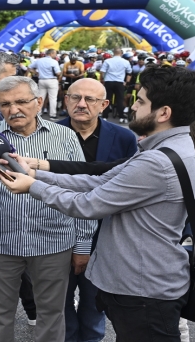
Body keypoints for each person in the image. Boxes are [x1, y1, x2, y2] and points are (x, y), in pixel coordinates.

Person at [0, 66, 195, 342]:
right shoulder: (165, 149)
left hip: (143, 289)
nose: (133, 106)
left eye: (141, 101)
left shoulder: (156, 161)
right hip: (142, 284)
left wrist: (32, 187)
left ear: (164, 113)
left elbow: (88, 204)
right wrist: (36, 174)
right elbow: (98, 180)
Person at [0, 76, 95, 342]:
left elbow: (81, 189)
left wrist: (83, 245)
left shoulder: (65, 137)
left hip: (54, 243)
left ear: (39, 102)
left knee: (52, 314)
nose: (13, 110)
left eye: (21, 101)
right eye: (4, 104)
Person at [57, 79, 137, 342]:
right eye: (75, 97)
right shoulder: (50, 133)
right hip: (55, 234)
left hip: (104, 237)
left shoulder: (124, 138)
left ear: (104, 105)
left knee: (94, 308)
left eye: (90, 99)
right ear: (66, 99)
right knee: (59, 307)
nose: (81, 104)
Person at [100, 48, 132, 123]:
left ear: (113, 53)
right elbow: (129, 72)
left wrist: (103, 80)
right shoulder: (126, 62)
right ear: (121, 53)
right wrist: (126, 82)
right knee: (120, 100)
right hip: (119, 82)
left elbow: (102, 72)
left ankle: (105, 116)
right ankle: (121, 116)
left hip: (108, 81)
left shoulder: (107, 61)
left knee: (107, 99)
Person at [29, 49, 62, 119]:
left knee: (41, 97)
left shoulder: (39, 60)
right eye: (55, 53)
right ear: (51, 53)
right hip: (52, 80)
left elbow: (29, 67)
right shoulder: (54, 62)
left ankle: (38, 113)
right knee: (53, 98)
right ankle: (53, 115)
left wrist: (36, 73)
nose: (55, 55)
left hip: (41, 80)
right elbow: (58, 73)